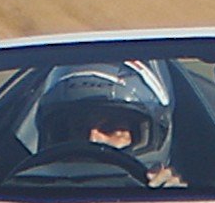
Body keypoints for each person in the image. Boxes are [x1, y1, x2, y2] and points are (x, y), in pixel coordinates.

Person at [32, 61, 186, 187]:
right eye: (79, 127)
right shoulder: (28, 196)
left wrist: (172, 199)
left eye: (110, 128)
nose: (92, 138)